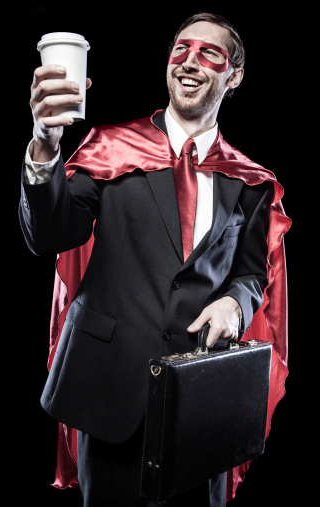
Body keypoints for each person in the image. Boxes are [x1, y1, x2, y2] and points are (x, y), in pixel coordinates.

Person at [19, 12, 290, 507]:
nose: (189, 62)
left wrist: (234, 304)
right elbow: (51, 235)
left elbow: (252, 274)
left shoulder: (247, 180)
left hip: (199, 402)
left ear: (235, 77)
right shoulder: (110, 147)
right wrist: (45, 144)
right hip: (109, 391)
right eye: (180, 50)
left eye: (210, 53)